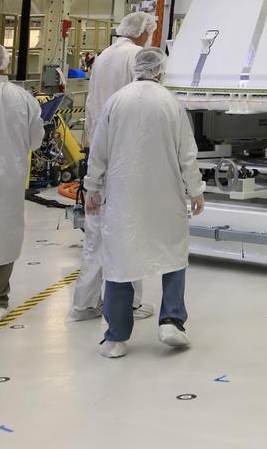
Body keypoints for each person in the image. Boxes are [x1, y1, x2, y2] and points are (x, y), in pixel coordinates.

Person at [85, 46, 205, 359]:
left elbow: (99, 151)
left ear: (135, 69)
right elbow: (187, 154)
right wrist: (196, 191)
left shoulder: (116, 101)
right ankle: (172, 322)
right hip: (166, 197)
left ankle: (116, 337)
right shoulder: (171, 103)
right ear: (161, 72)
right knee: (173, 254)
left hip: (123, 197)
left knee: (120, 262)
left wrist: (92, 188)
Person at [67, 10, 157, 323]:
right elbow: (143, 104)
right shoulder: (138, 57)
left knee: (95, 234)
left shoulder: (104, 55)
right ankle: (130, 304)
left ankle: (84, 304)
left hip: (98, 151)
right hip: (127, 155)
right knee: (130, 230)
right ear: (143, 31)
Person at [0, 42, 45, 322]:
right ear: (5, 64)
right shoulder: (24, 99)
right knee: (3, 234)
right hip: (9, 180)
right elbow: (36, 140)